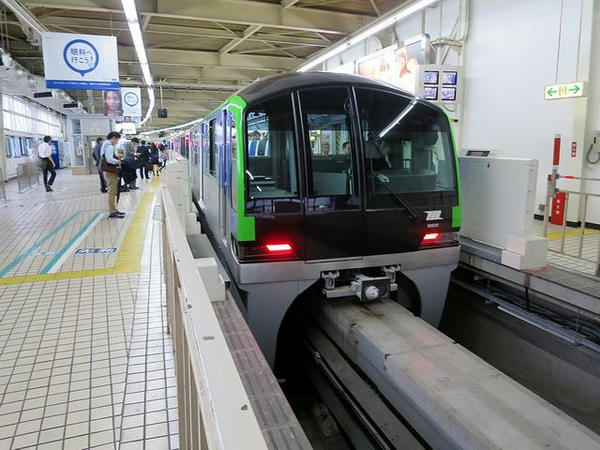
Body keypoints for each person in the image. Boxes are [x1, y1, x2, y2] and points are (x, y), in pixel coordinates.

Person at [101, 131, 125, 219]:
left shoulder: (105, 144)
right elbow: (109, 160)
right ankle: (112, 212)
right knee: (112, 191)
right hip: (110, 171)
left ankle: (114, 209)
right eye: (117, 139)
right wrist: (117, 161)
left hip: (108, 171)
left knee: (113, 191)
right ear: (113, 137)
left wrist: (116, 156)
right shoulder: (109, 146)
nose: (117, 141)